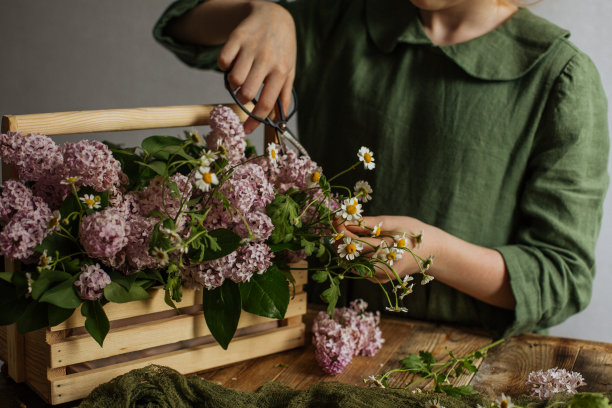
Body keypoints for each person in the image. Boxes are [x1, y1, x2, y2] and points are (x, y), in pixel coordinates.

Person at [153, 0, 609, 337]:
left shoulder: (559, 77)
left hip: (467, 363)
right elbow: (183, 26)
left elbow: (561, 277)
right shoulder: (340, 19)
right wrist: (266, 11)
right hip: (304, 337)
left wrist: (429, 250)